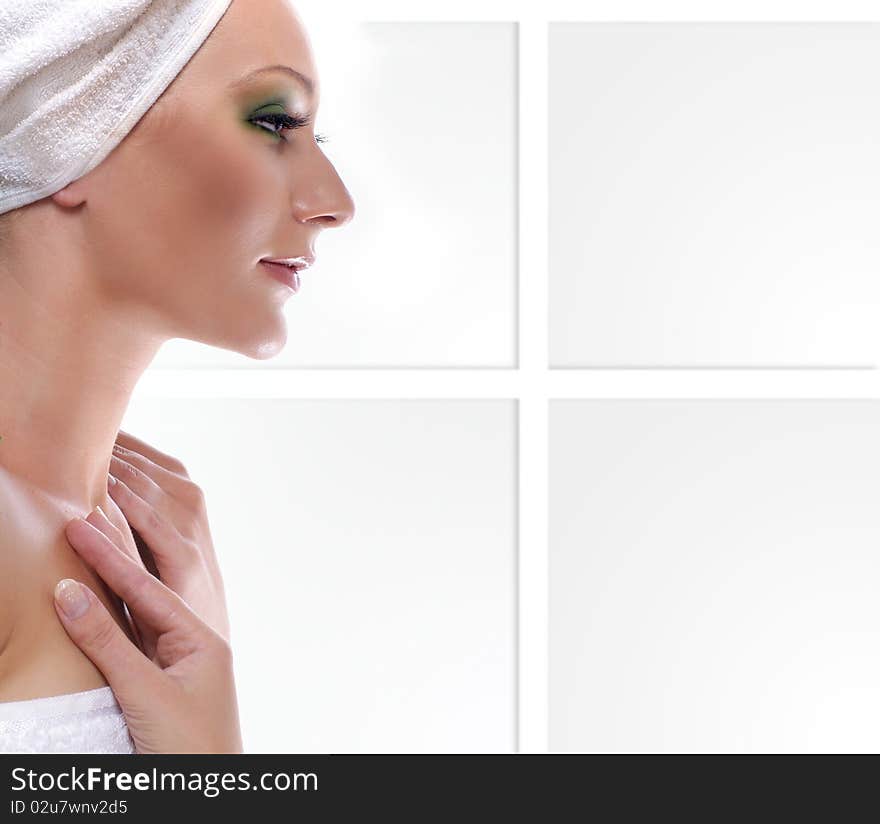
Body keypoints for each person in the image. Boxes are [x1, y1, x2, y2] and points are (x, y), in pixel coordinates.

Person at [0, 0, 355, 753]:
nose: (336, 204)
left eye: (313, 135)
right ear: (76, 136)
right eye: (273, 122)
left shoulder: (150, 537)